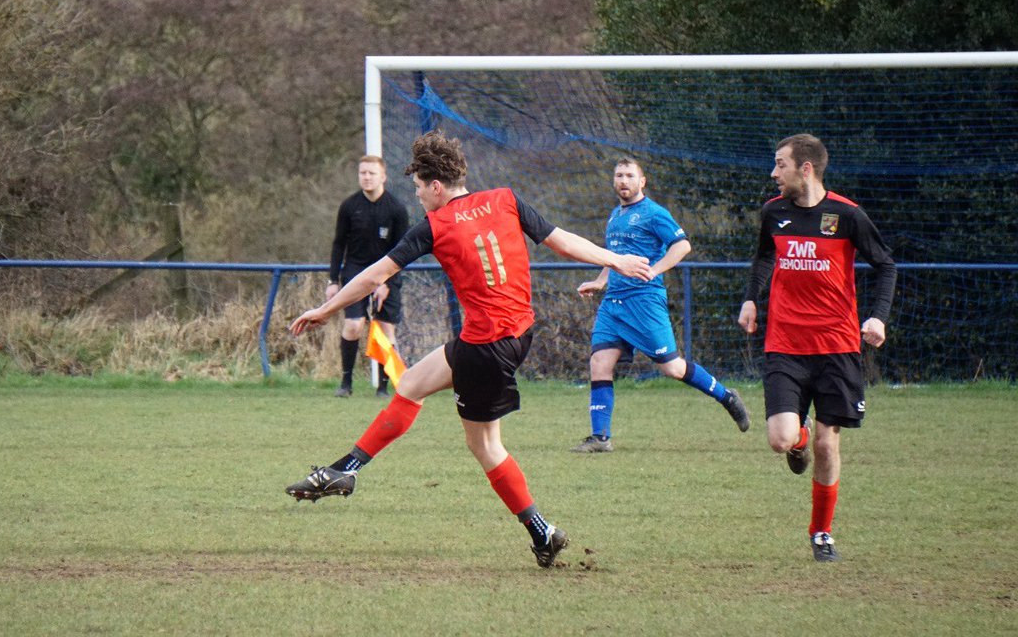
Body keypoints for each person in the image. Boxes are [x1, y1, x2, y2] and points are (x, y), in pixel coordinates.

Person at [287, 130, 654, 569]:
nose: (419, 196)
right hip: (514, 334)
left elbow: (371, 276)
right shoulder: (505, 199)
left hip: (486, 346)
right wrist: (612, 260)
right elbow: (561, 239)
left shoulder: (436, 225)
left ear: (436, 186)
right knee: (412, 384)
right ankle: (347, 468)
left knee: (486, 447)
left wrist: (327, 308)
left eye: (420, 188)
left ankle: (543, 531)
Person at [737, 133, 896, 562]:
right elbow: (763, 257)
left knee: (830, 445)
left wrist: (878, 315)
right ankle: (798, 438)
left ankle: (821, 532)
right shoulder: (774, 213)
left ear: (805, 168)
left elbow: (884, 264)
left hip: (837, 347)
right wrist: (752, 297)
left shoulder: (847, 215)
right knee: (780, 438)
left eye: (780, 164)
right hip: (785, 344)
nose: (774, 173)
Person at [571, 158, 750, 453]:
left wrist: (655, 270)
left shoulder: (653, 213)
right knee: (599, 362)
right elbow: (615, 256)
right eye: (619, 175)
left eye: (630, 175)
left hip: (644, 302)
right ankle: (600, 437)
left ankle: (726, 397)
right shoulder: (615, 215)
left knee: (673, 368)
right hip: (614, 304)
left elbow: (682, 245)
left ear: (642, 181)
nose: (623, 180)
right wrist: (600, 281)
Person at [327, 155, 410, 397]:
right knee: (353, 326)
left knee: (385, 330)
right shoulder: (349, 207)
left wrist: (386, 283)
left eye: (372, 173)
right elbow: (338, 244)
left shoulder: (396, 209)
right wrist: (333, 281)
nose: (367, 177)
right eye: (363, 172)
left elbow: (402, 252)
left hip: (388, 273)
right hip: (355, 271)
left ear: (383, 176)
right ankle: (346, 384)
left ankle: (383, 387)